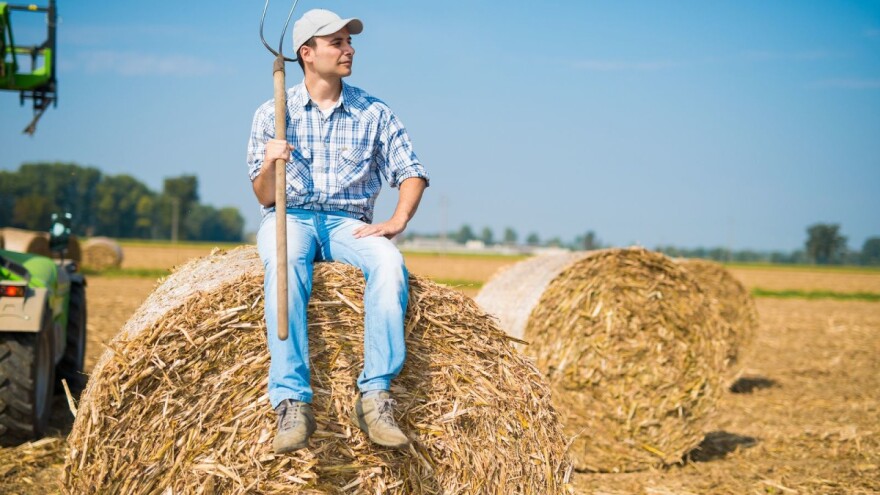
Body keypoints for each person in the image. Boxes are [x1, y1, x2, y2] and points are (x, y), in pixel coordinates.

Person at [246, 8, 429, 454]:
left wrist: (398, 220)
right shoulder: (273, 112)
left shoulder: (374, 112)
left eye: (350, 42)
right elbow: (264, 196)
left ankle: (376, 396)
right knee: (284, 263)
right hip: (289, 216)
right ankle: (292, 401)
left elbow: (411, 171)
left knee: (389, 263)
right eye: (338, 43)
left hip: (349, 223)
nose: (349, 50)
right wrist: (270, 162)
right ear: (307, 53)